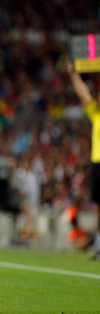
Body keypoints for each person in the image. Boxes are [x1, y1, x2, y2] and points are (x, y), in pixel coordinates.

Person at [67, 61, 100, 260]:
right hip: (97, 164)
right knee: (98, 207)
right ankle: (98, 245)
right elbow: (83, 94)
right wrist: (74, 75)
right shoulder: (96, 114)